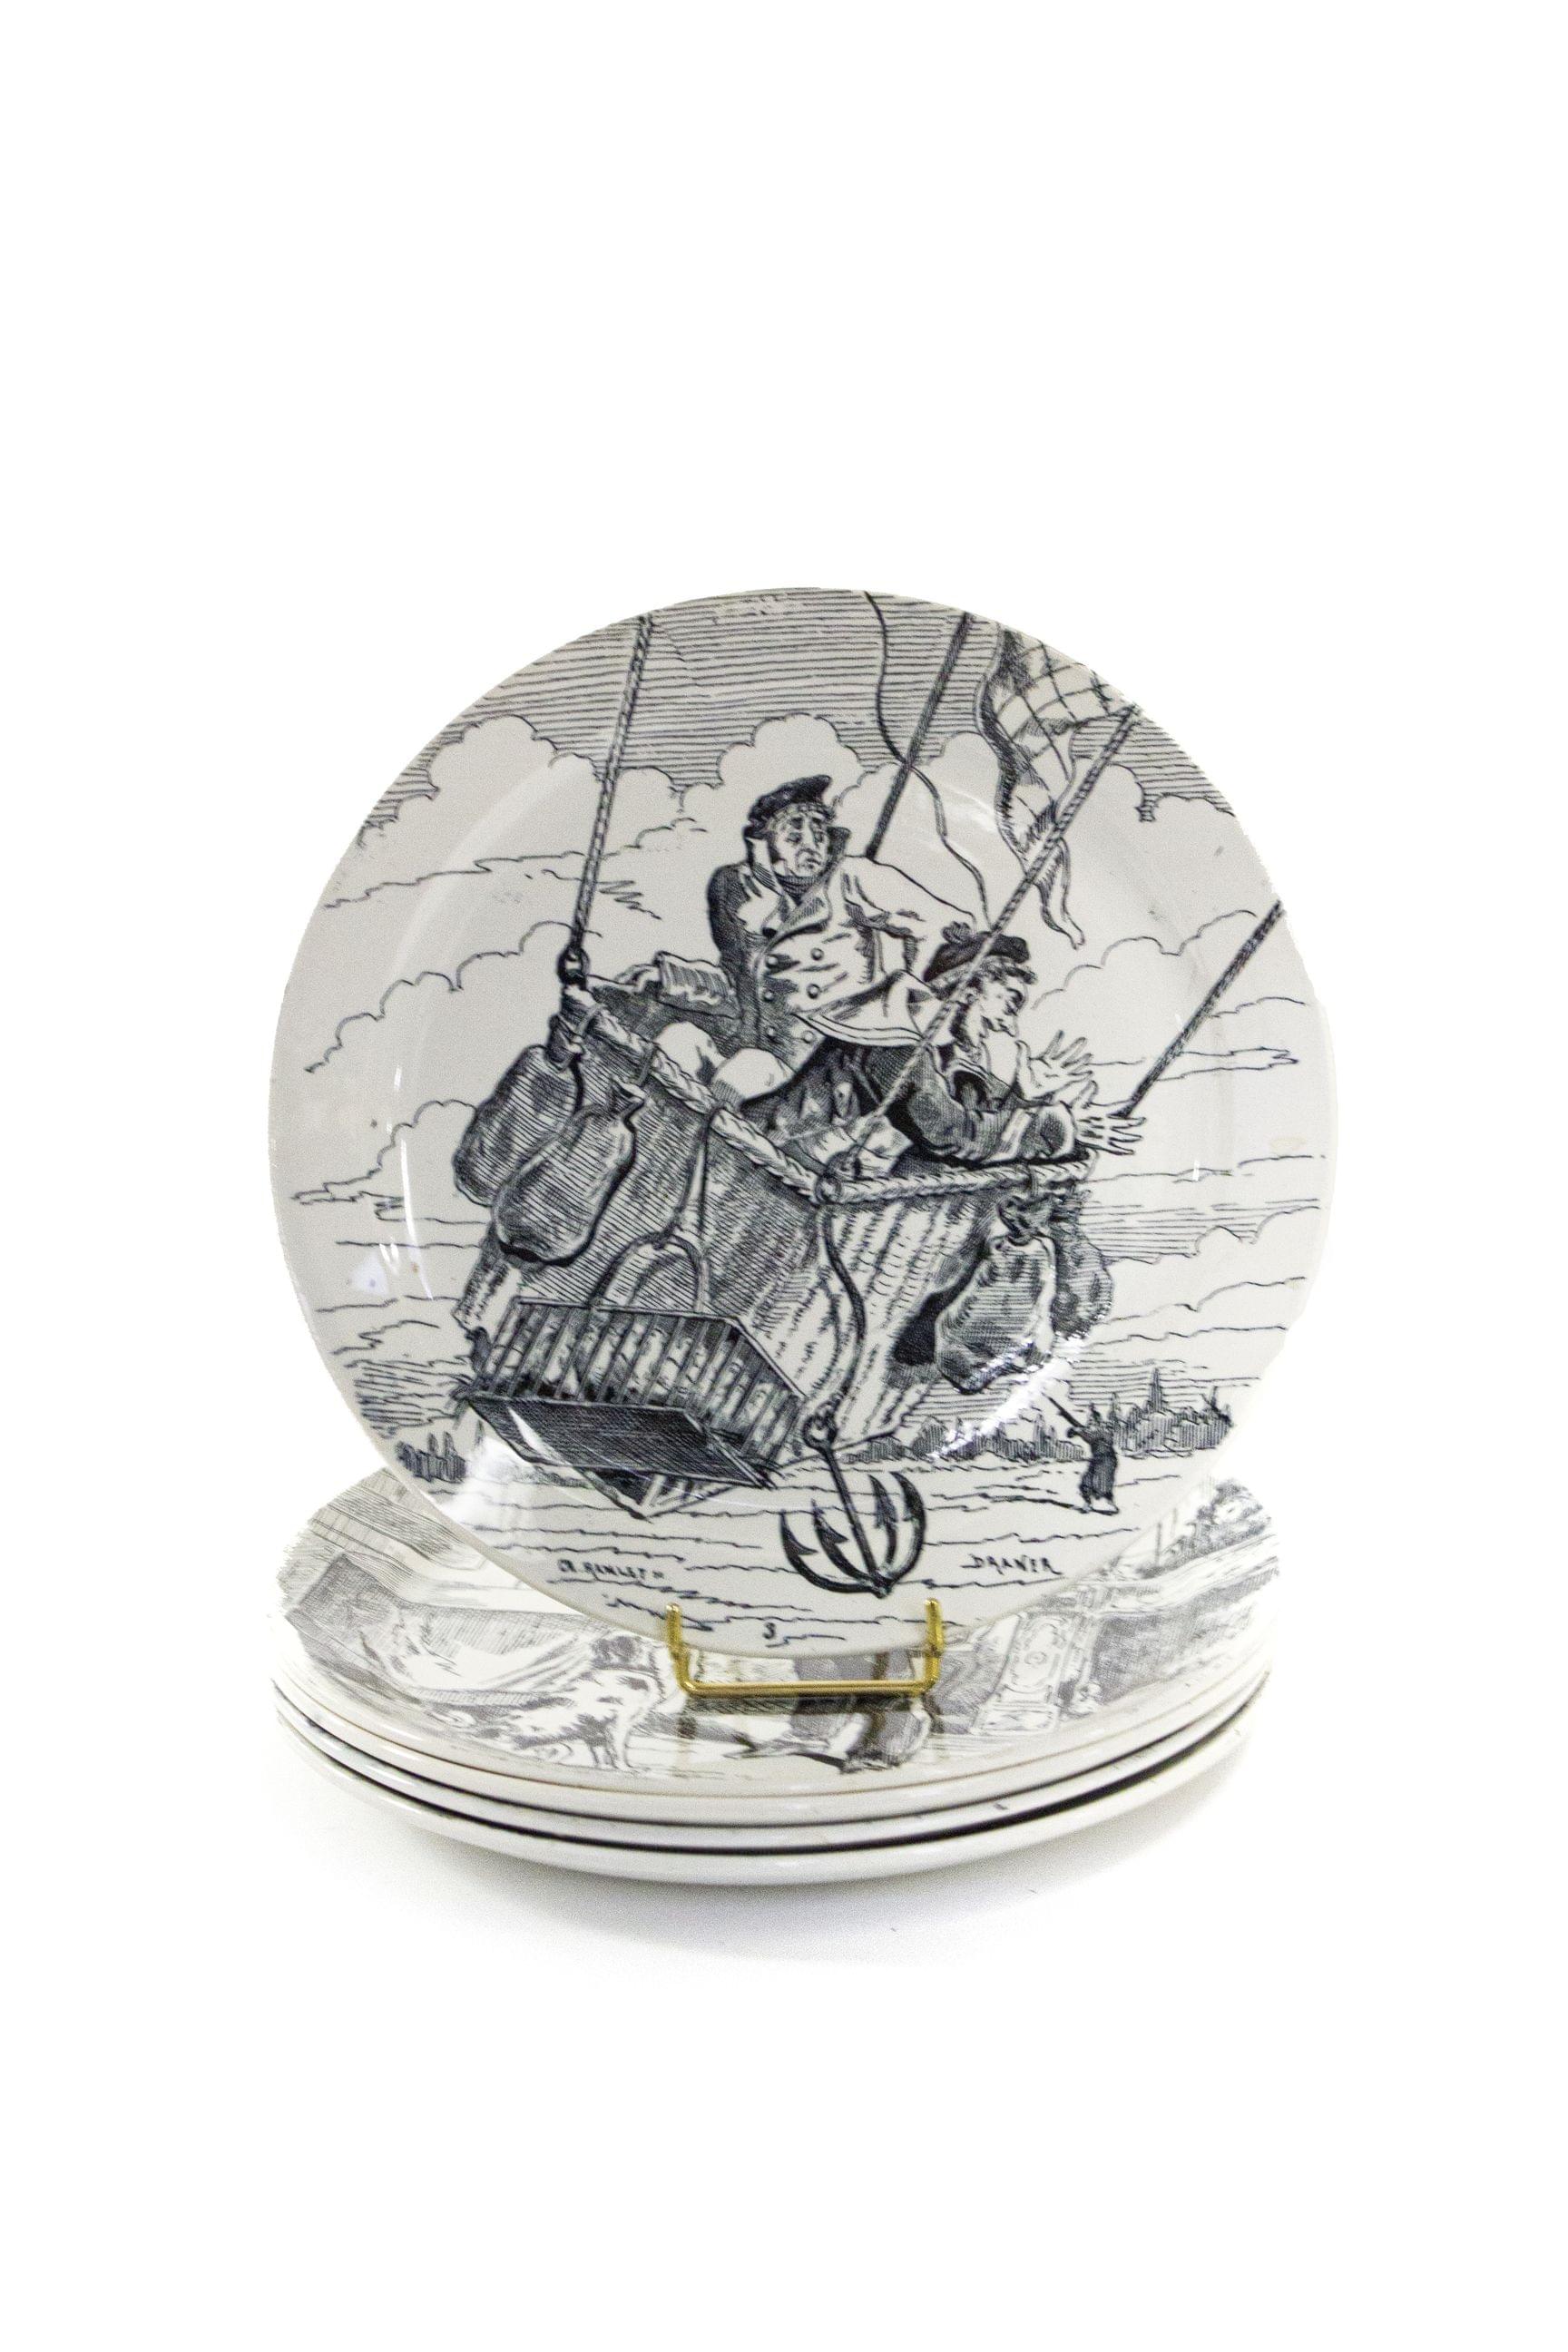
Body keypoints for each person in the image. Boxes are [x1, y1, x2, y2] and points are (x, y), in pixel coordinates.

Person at [634, 775, 962, 1103]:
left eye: (819, 834)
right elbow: (735, 984)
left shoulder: (852, 877)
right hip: (752, 1048)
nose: (811, 844)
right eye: (794, 835)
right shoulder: (735, 889)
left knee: (741, 1074)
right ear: (766, 840)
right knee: (676, 1044)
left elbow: (945, 924)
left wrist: (909, 989)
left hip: (820, 1071)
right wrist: (671, 977)